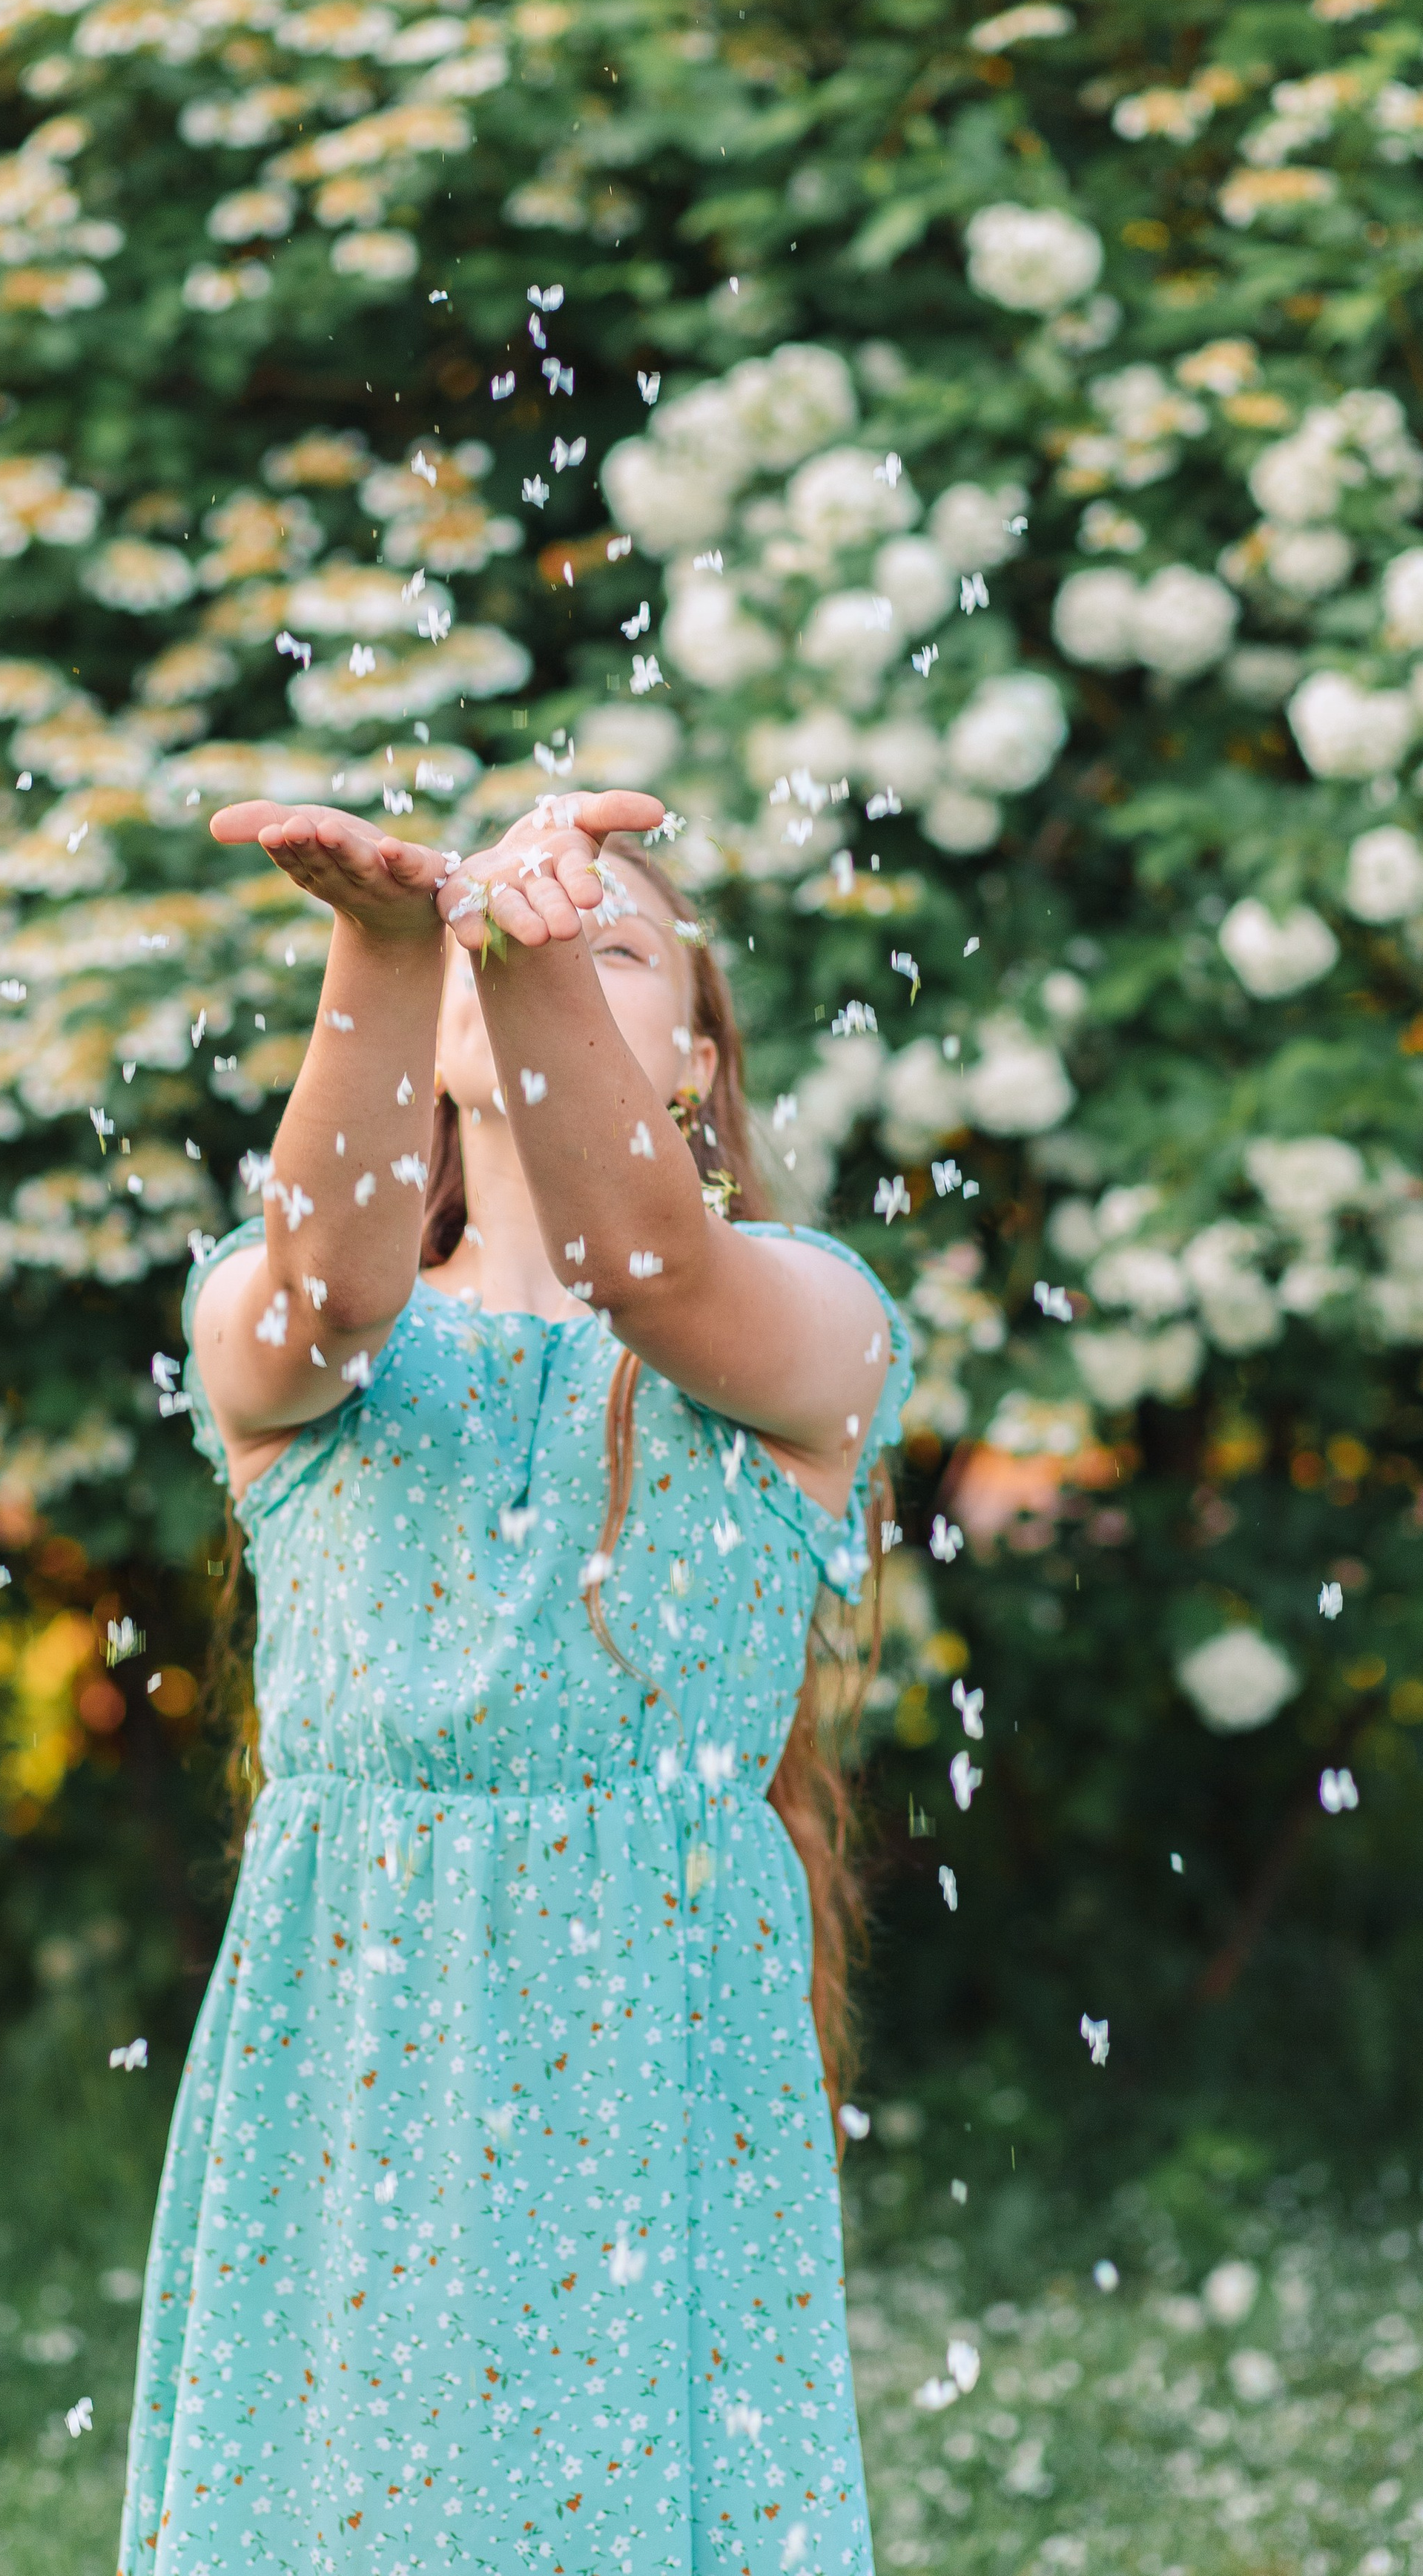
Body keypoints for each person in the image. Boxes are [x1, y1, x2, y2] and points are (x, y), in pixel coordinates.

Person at [118, 788, 911, 2576]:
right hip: (362, 2029)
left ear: (693, 1063)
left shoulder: (802, 1316)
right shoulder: (288, 1317)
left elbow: (646, 1268)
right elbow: (332, 1294)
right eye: (495, 930)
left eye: (603, 943)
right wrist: (381, 945)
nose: (529, 945)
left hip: (651, 2041)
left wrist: (506, 951)